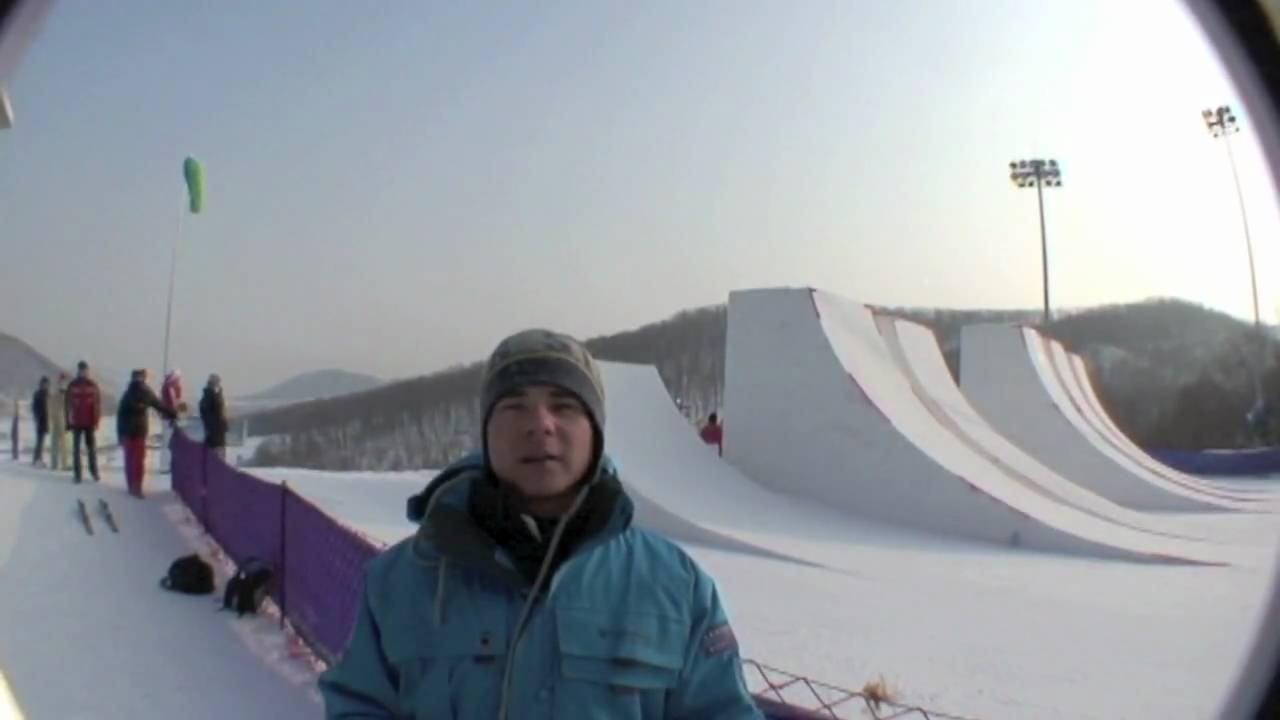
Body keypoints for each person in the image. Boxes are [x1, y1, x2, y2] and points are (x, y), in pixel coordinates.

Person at [319, 329, 761, 720]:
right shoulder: (403, 579)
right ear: (486, 433)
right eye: (514, 407)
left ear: (596, 433)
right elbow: (359, 705)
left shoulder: (674, 586)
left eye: (564, 405)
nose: (540, 425)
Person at [117, 369, 177, 498]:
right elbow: (159, 405)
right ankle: (136, 487)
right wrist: (173, 413)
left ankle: (131, 485)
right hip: (139, 431)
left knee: (130, 460)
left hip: (128, 431)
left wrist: (120, 434)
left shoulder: (127, 394)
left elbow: (120, 415)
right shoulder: (145, 392)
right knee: (138, 460)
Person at [66, 361, 101, 483]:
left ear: (88, 371)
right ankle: (77, 474)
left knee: (91, 449)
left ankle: (94, 471)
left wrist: (96, 421)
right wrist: (68, 422)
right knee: (76, 450)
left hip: (90, 423)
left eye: (85, 370)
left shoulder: (92, 385)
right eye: (81, 370)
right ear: (78, 371)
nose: (83, 372)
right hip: (76, 422)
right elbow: (68, 405)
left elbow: (97, 404)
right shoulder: (73, 385)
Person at [199, 373, 229, 460]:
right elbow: (219, 411)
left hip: (213, 430)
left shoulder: (207, 396)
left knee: (215, 451)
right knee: (217, 452)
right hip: (215, 430)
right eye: (217, 382)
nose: (219, 384)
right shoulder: (212, 395)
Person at [49, 374, 70, 471]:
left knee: (55, 442)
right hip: (61, 416)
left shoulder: (55, 390)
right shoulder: (62, 390)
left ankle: (54, 463)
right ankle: (64, 464)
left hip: (55, 416)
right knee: (63, 442)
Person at [30, 376, 49, 467]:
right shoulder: (38, 394)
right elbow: (34, 407)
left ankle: (38, 458)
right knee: (39, 441)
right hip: (40, 420)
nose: (45, 385)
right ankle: (37, 459)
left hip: (45, 420)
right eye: (44, 384)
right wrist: (36, 417)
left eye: (46, 384)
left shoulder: (46, 394)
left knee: (41, 440)